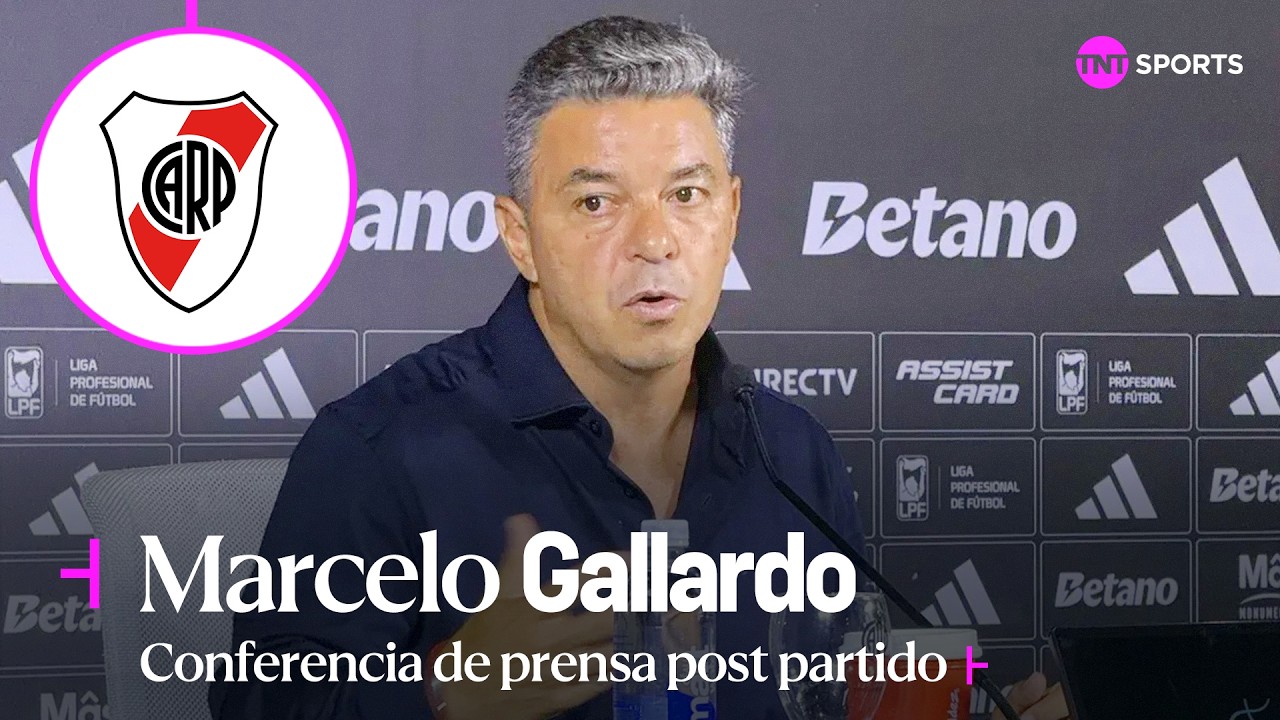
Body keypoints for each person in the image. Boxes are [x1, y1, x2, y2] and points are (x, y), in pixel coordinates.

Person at [210, 15, 1067, 720]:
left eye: (687, 195)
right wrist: (446, 695)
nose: (654, 241)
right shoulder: (379, 450)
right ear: (520, 236)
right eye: (596, 201)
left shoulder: (792, 453)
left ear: (731, 214)